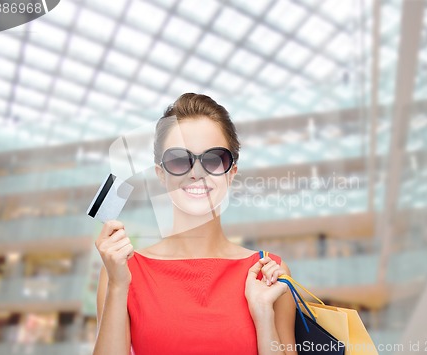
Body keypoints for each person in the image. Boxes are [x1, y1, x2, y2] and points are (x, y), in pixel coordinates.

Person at [93, 93, 297, 355]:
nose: (196, 172)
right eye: (179, 159)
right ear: (161, 174)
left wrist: (264, 317)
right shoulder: (122, 272)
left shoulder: (270, 272)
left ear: (231, 173)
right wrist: (118, 286)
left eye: (213, 159)